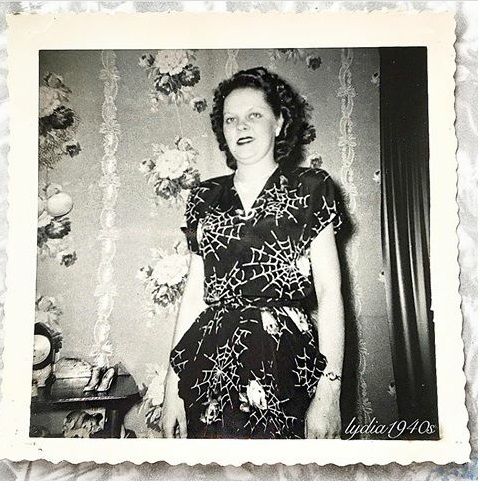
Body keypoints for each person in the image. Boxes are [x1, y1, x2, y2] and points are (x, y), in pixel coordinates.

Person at [160, 66, 345, 439]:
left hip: (286, 362)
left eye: (254, 115)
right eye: (231, 119)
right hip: (210, 364)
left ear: (278, 123)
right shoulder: (204, 197)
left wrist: (330, 392)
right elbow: (195, 296)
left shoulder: (312, 188)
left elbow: (328, 293)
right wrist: (171, 388)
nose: (241, 126)